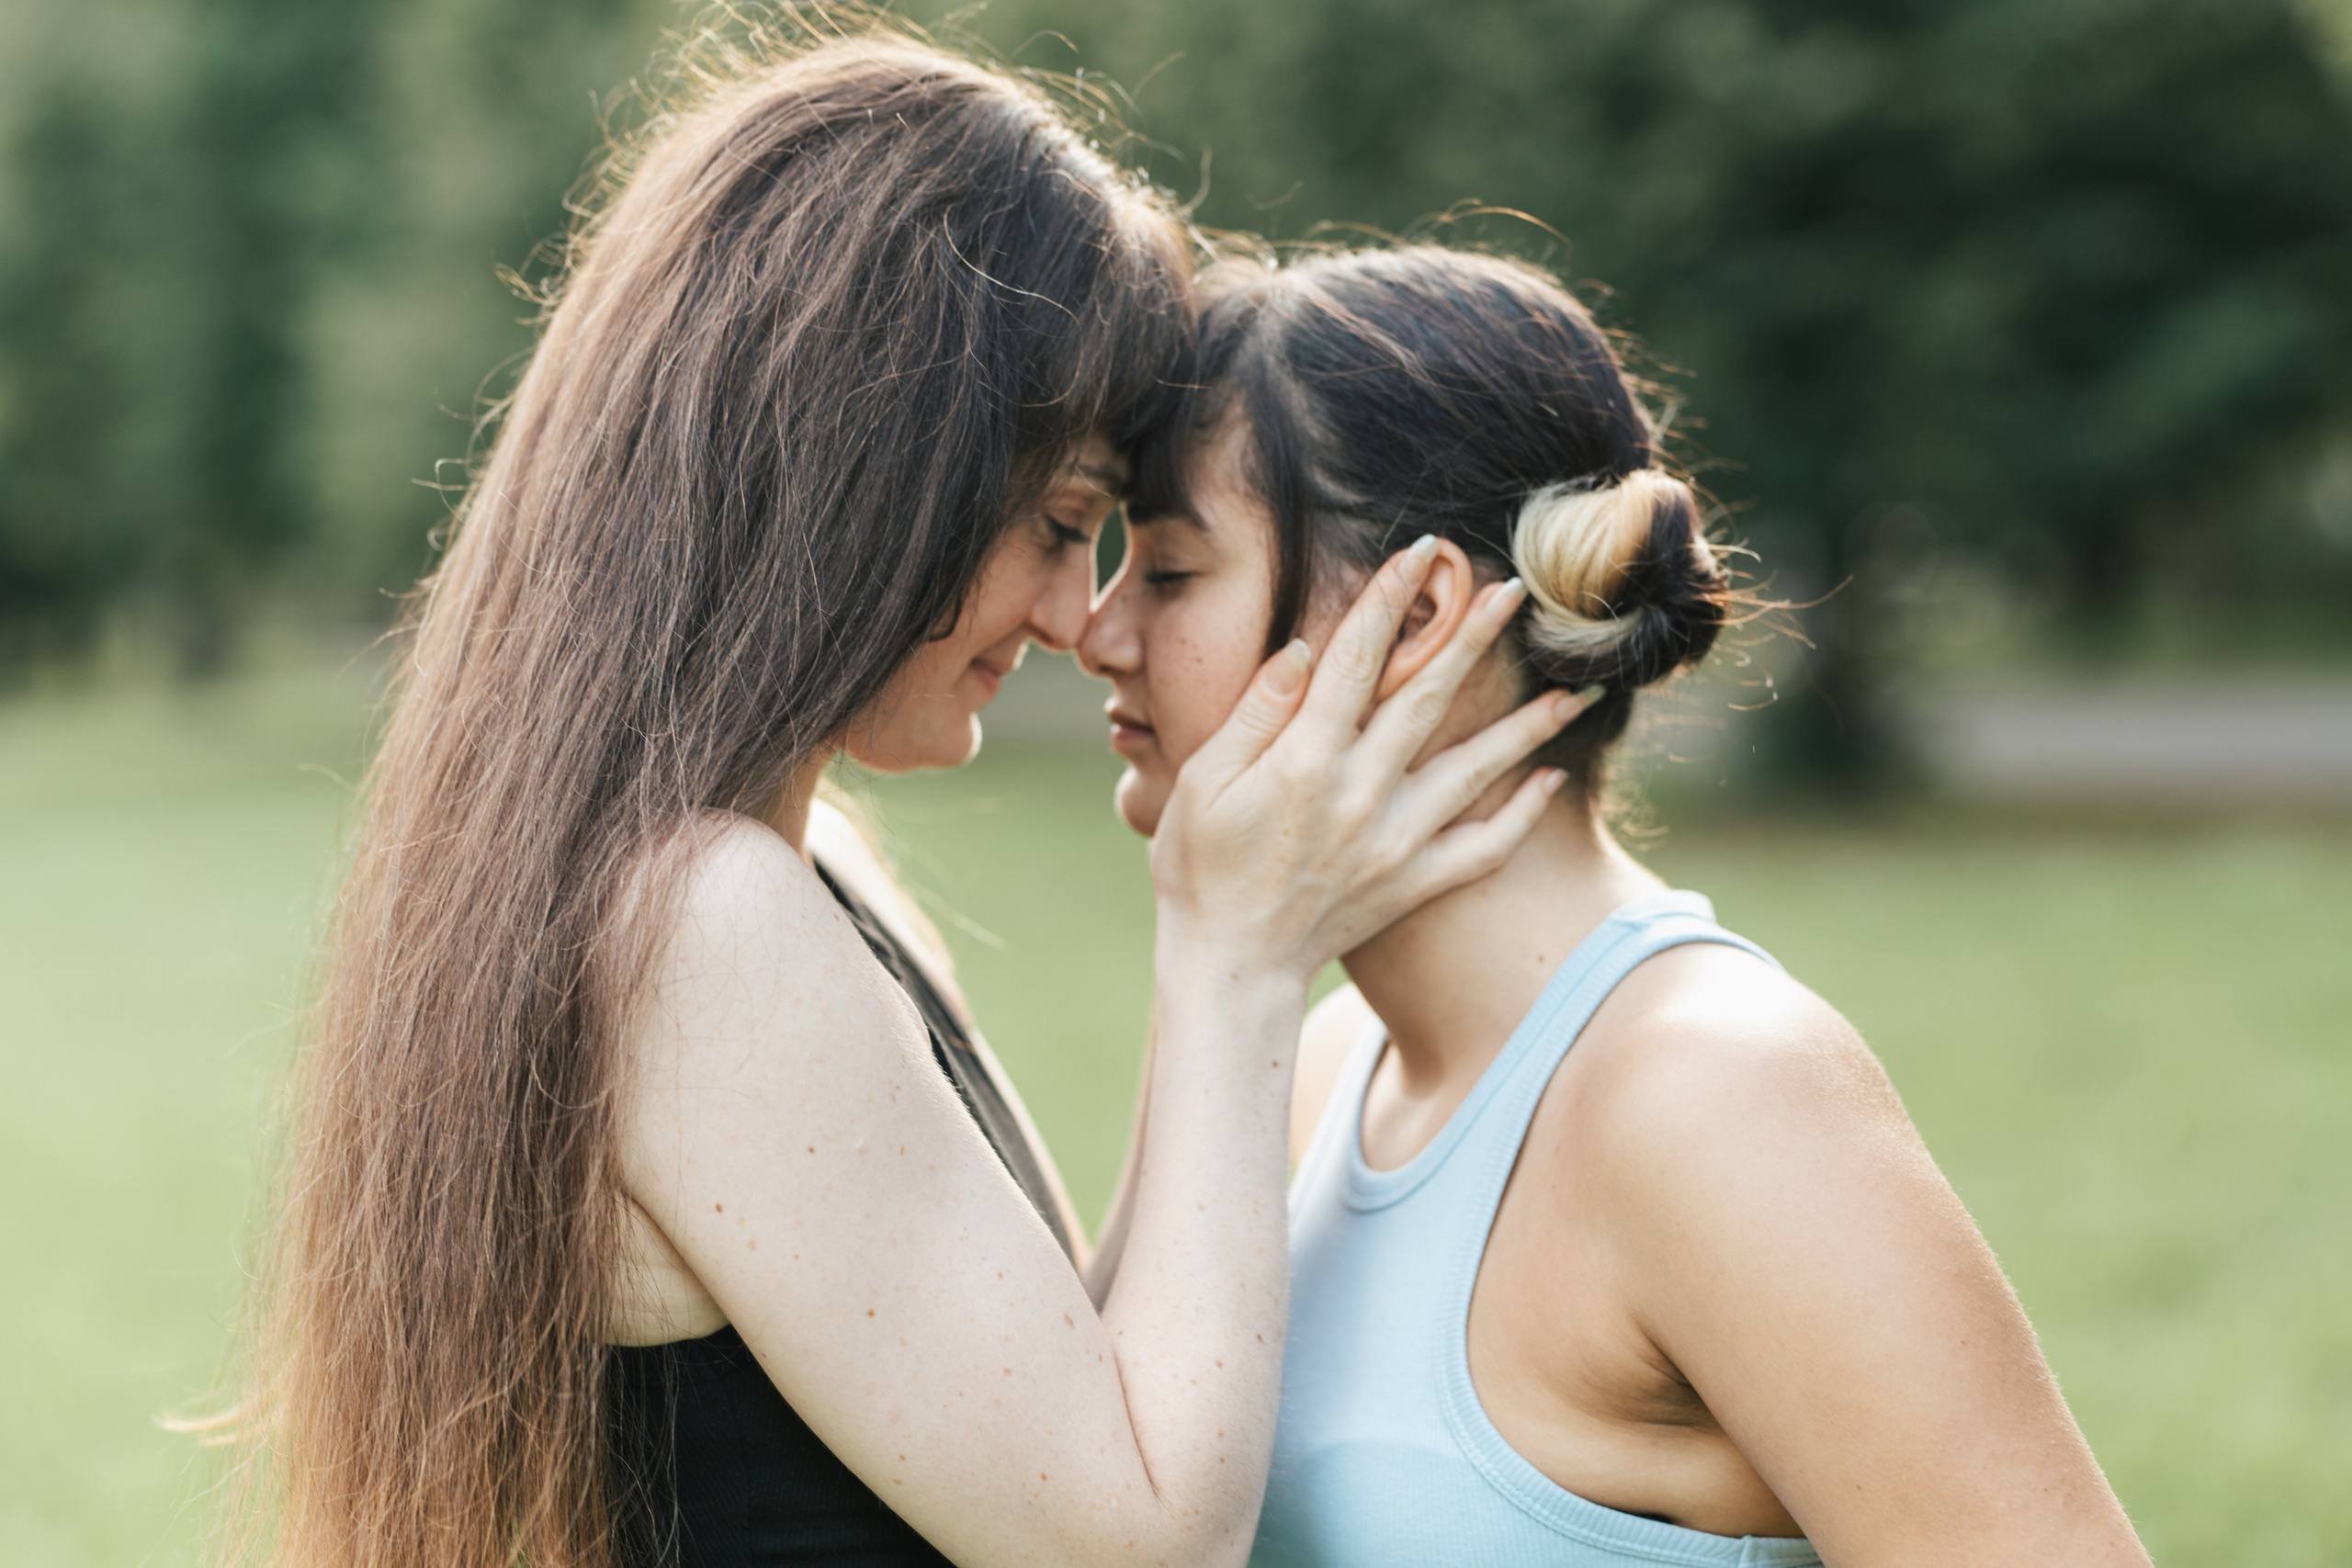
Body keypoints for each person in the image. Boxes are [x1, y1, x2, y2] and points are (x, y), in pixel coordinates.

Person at [226, 35, 1579, 1568]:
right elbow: (1140, 1542)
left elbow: (1073, 1380)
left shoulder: (792, 869)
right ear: (867, 473)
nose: (1081, 615)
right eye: (1067, 522)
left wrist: (1238, 933)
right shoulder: (704, 924)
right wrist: (1243, 962)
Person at [1077, 244, 2155, 1567]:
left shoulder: (1714, 1095)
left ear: (1417, 617)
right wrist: (1212, 962)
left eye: (1172, 573)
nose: (1099, 632)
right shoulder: (1300, 1064)